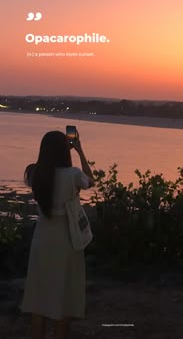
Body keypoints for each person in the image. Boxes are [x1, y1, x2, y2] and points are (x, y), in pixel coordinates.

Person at [20, 130, 95, 339]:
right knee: (64, 296)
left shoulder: (34, 173)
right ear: (65, 150)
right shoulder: (72, 175)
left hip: (41, 240)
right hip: (66, 241)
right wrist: (79, 151)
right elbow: (91, 180)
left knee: (39, 296)